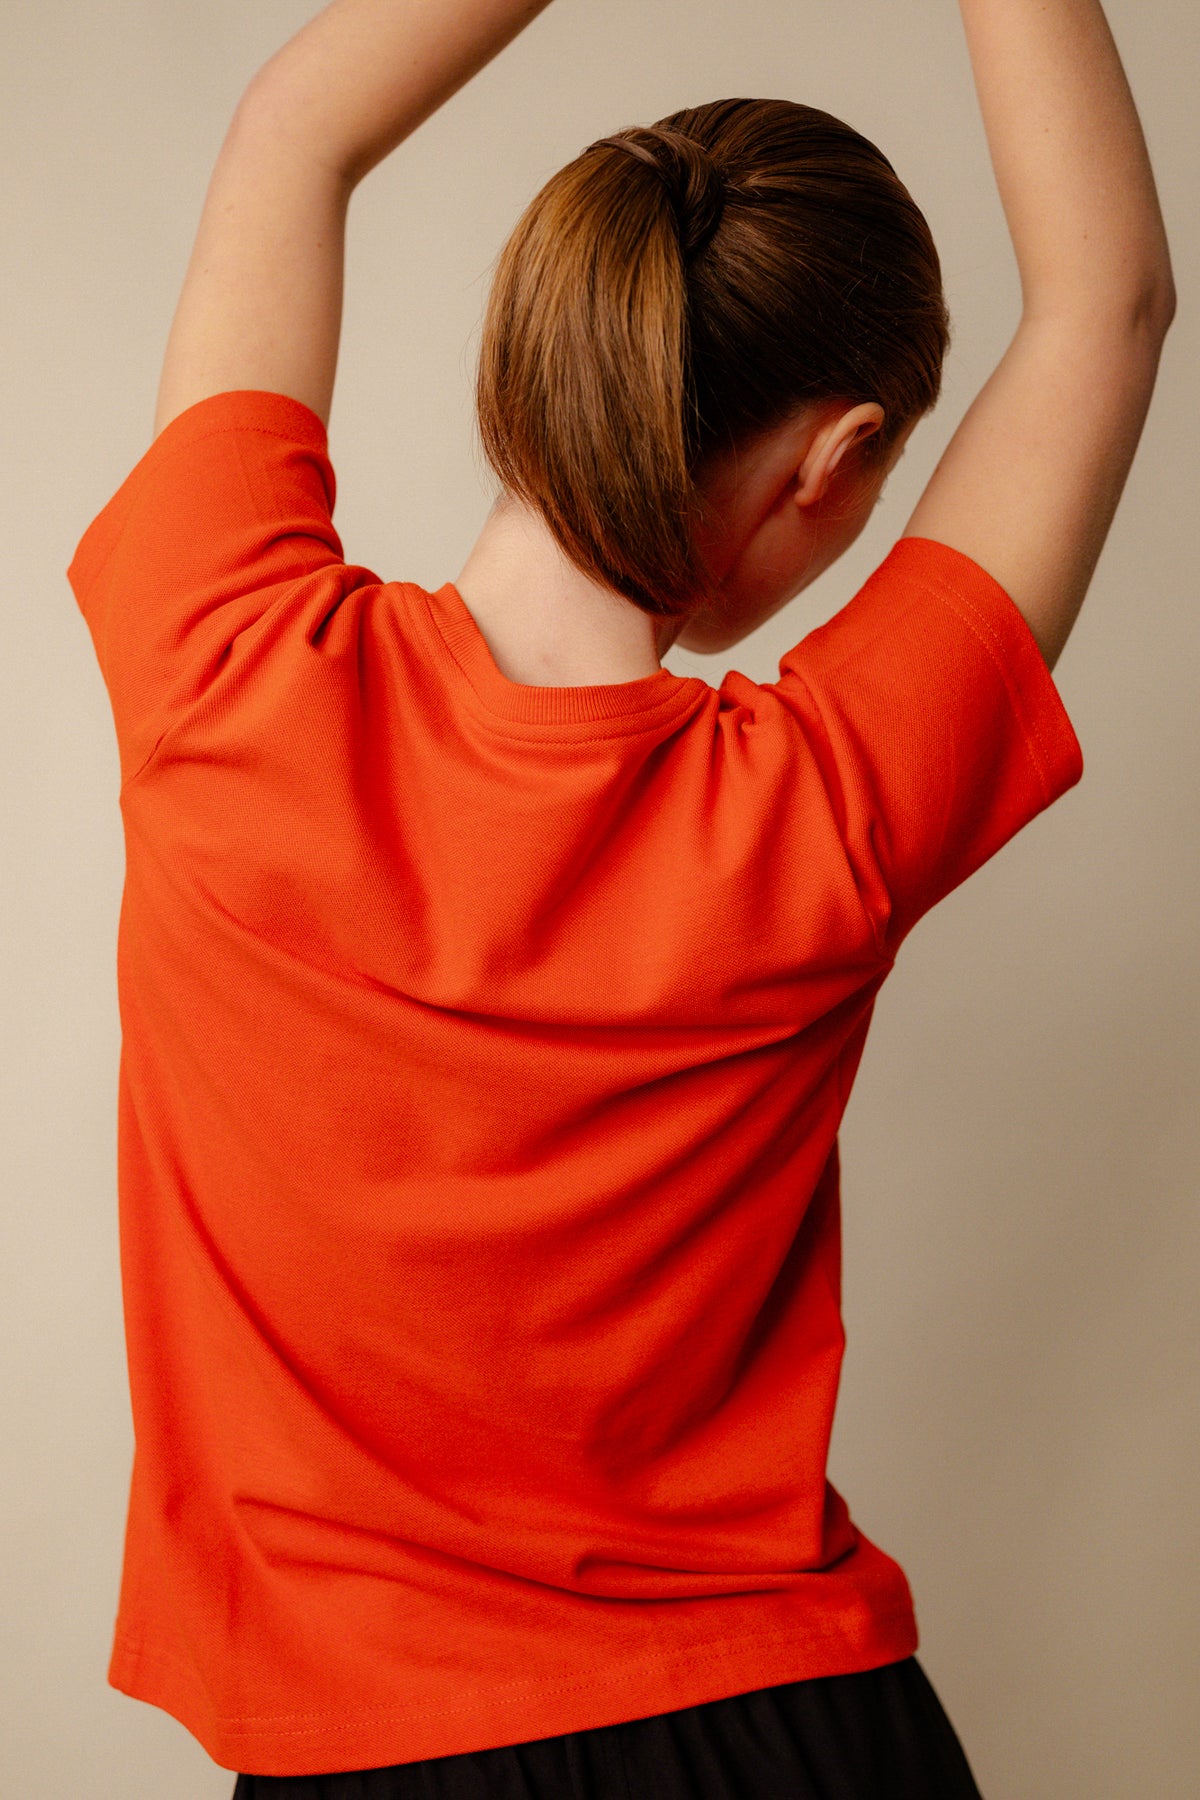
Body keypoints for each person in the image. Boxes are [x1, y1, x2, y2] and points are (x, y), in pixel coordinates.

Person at [65, 0, 1174, 1796]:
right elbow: (1110, 303)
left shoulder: (217, 668)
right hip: (789, 1738)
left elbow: (294, 128)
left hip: (360, 1757)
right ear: (839, 460)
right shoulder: (825, 808)